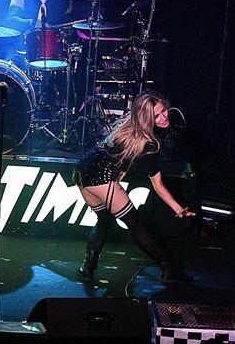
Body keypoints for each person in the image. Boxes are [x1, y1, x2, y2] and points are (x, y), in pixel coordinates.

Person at [73, 91, 195, 285]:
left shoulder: (131, 120)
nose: (163, 117)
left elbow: (119, 154)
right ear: (146, 117)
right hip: (100, 176)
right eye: (156, 116)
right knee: (136, 223)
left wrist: (119, 174)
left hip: (83, 169)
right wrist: (178, 209)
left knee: (104, 219)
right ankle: (168, 269)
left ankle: (87, 268)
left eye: (163, 111)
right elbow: (158, 184)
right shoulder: (147, 144)